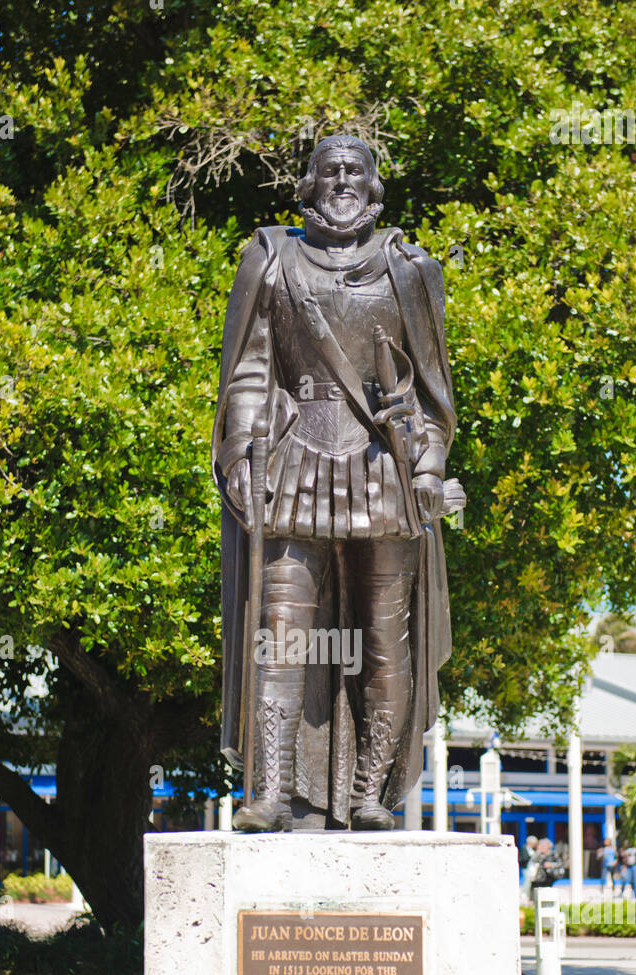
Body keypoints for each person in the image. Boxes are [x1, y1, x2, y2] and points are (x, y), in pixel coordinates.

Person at [213, 135, 465, 830]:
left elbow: (435, 395)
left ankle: (369, 794)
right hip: (293, 465)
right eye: (331, 171)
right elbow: (250, 370)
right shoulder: (269, 260)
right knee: (282, 637)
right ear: (309, 183)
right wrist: (241, 454)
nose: (343, 181)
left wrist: (429, 465)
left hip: (382, 473)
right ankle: (271, 793)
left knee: (387, 641)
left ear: (374, 184)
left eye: (356, 171)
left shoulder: (409, 270)